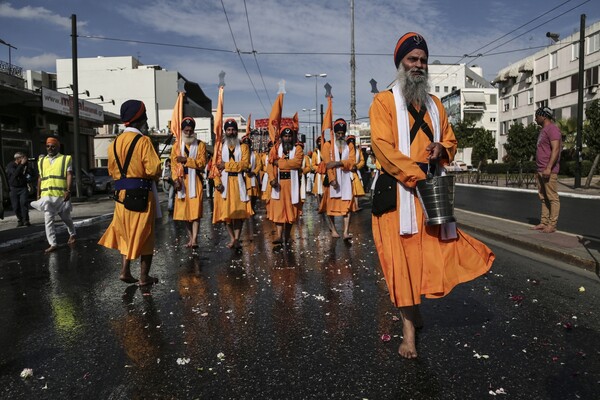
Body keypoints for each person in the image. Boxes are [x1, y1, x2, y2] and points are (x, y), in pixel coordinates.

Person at [369, 32, 495, 359]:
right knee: (402, 264)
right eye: (412, 59)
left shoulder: (436, 105)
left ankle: (414, 310)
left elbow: (450, 142)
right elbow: (382, 149)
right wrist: (417, 175)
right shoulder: (383, 102)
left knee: (426, 256)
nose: (419, 65)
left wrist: (442, 148)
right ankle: (408, 333)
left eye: (423, 60)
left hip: (429, 196)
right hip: (398, 197)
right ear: (400, 63)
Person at [98, 100, 162, 286]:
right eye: (145, 116)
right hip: (141, 194)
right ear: (140, 119)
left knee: (126, 232)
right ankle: (144, 277)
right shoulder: (143, 141)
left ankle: (125, 270)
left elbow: (111, 170)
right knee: (146, 234)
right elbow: (153, 169)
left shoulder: (114, 143)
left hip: (121, 196)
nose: (147, 119)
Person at [212, 118, 253, 249]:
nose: (231, 132)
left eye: (233, 129)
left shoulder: (243, 147)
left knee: (239, 215)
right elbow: (215, 167)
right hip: (224, 183)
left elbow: (245, 165)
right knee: (226, 215)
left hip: (238, 183)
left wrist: (227, 165)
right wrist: (217, 182)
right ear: (225, 131)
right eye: (228, 130)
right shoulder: (219, 147)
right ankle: (232, 238)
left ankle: (237, 238)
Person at [31, 137, 76, 253]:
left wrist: (68, 190)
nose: (50, 148)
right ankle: (53, 243)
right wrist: (38, 194)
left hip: (61, 195)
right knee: (48, 220)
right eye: (48, 146)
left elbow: (69, 174)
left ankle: (72, 233)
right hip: (47, 196)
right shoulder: (41, 161)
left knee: (66, 218)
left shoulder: (65, 159)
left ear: (58, 147)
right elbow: (40, 177)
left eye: (52, 146)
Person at [171, 117, 207, 248]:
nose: (188, 133)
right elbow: (174, 166)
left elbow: (202, 163)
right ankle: (190, 238)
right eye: (186, 131)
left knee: (195, 213)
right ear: (182, 131)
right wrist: (175, 180)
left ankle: (195, 239)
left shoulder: (200, 145)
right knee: (185, 214)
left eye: (191, 131)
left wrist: (187, 160)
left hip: (195, 180)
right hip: (182, 181)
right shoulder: (176, 146)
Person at [320, 118, 357, 239]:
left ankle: (346, 231)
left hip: (346, 180)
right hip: (333, 180)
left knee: (347, 206)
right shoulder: (327, 145)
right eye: (338, 133)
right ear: (334, 133)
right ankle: (334, 230)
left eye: (342, 133)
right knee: (330, 208)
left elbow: (351, 162)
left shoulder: (349, 145)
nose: (340, 136)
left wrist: (338, 163)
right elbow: (327, 164)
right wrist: (332, 179)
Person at [267, 127, 304, 244]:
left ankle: (287, 235)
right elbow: (270, 165)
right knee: (279, 210)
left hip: (291, 184)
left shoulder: (298, 148)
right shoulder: (275, 149)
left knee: (290, 211)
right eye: (285, 136)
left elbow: (297, 163)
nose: (287, 139)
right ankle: (278, 235)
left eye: (289, 137)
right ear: (282, 137)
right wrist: (272, 179)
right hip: (278, 183)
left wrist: (280, 163)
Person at [531, 106, 562, 234]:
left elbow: (556, 149)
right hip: (540, 169)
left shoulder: (552, 129)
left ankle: (552, 225)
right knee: (543, 197)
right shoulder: (543, 130)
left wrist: (549, 167)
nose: (535, 119)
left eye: (537, 116)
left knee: (552, 198)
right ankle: (544, 222)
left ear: (544, 116)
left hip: (548, 170)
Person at [6, 151, 31, 227]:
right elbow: (15, 174)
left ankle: (26, 220)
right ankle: (20, 220)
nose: (24, 159)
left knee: (23, 203)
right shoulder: (11, 165)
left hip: (23, 187)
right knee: (15, 206)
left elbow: (31, 173)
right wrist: (22, 165)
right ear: (18, 158)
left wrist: (28, 179)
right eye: (22, 157)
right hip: (13, 188)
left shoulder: (25, 165)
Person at [346, 135, 366, 211]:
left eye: (352, 141)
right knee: (348, 190)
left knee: (357, 189)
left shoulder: (358, 151)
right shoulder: (345, 150)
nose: (351, 143)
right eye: (350, 141)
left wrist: (357, 166)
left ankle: (356, 206)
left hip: (356, 172)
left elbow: (362, 161)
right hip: (347, 172)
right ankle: (349, 206)